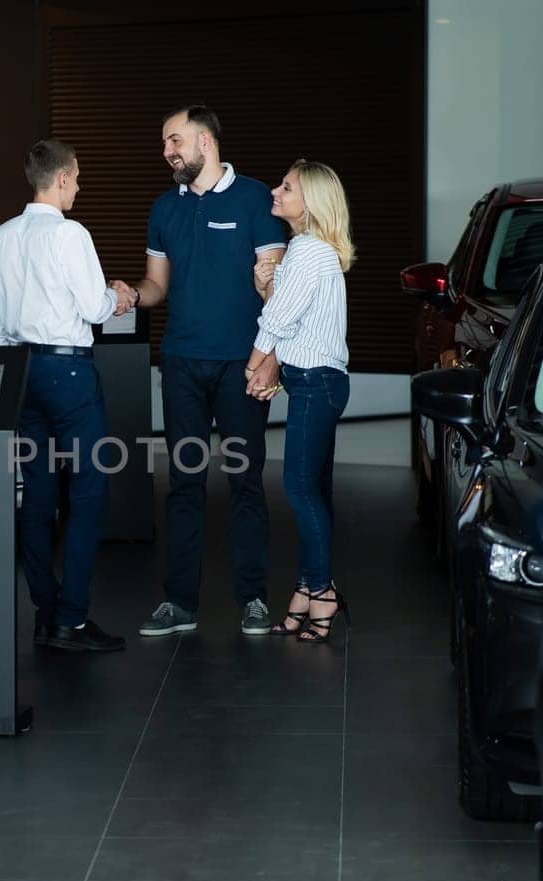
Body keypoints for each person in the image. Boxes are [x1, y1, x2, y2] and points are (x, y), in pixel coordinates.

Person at [116, 105, 287, 638]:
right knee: (184, 483)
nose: (167, 151)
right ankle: (179, 603)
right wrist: (126, 295)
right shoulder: (164, 209)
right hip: (182, 364)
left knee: (246, 482)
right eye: (166, 143)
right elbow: (157, 287)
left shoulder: (258, 199)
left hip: (243, 365)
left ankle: (254, 598)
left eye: (174, 140)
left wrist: (272, 359)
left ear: (205, 142)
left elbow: (278, 290)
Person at [0, 138, 133, 652]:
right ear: (62, 177)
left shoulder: (0, 238)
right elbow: (93, 307)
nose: (80, 187)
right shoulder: (71, 235)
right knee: (89, 493)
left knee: (37, 497)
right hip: (68, 373)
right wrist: (121, 295)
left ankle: (45, 614)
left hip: (19, 372)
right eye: (79, 177)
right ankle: (72, 618)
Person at [244, 159, 354, 642]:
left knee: (300, 490)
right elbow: (286, 316)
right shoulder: (305, 251)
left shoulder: (309, 251)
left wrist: (253, 366)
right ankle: (309, 589)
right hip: (314, 382)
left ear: (310, 202)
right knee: (314, 492)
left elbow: (278, 324)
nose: (276, 190)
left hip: (315, 384)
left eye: (286, 186)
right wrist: (266, 284)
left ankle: (321, 591)